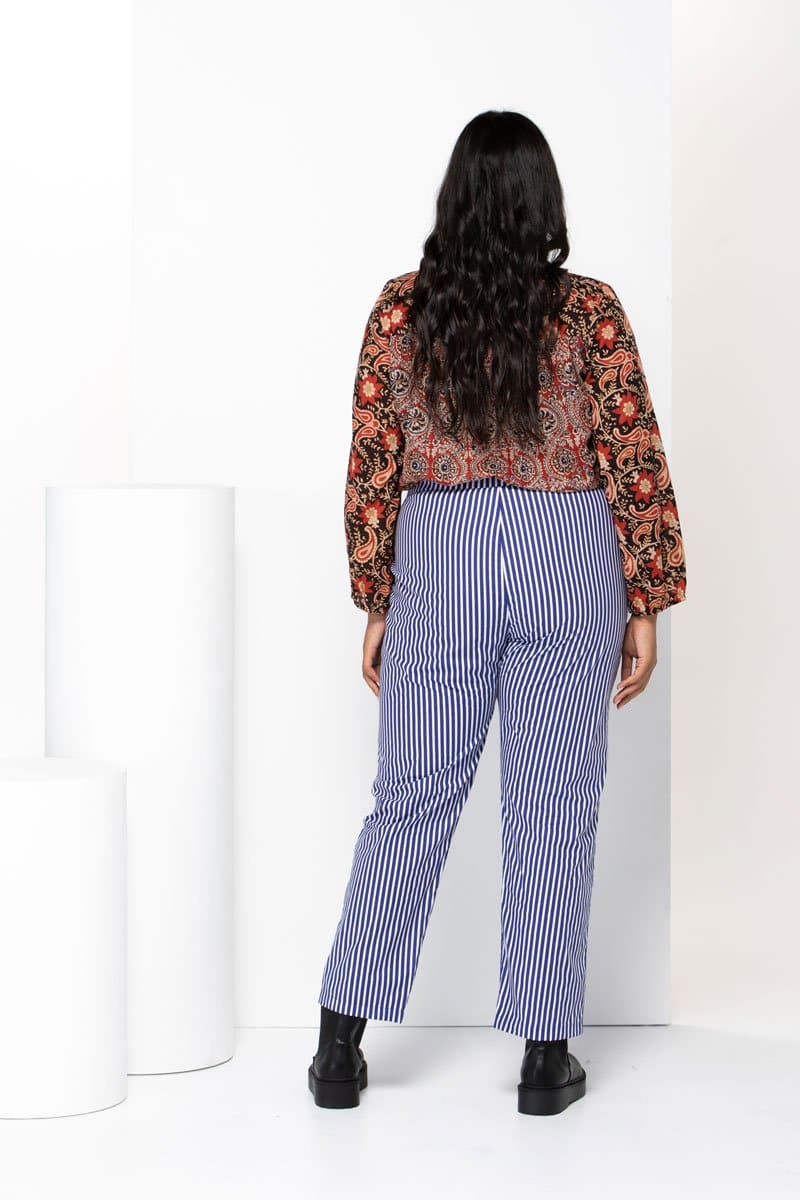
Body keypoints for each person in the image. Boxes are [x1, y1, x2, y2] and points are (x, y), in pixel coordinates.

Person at [308, 110, 687, 1117]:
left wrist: (376, 594)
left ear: (455, 198)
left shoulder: (400, 309)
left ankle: (338, 1049)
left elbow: (372, 460)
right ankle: (543, 1060)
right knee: (556, 805)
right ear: (542, 201)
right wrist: (645, 600)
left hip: (440, 556)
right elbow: (632, 452)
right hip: (569, 552)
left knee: (409, 798)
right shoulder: (589, 310)